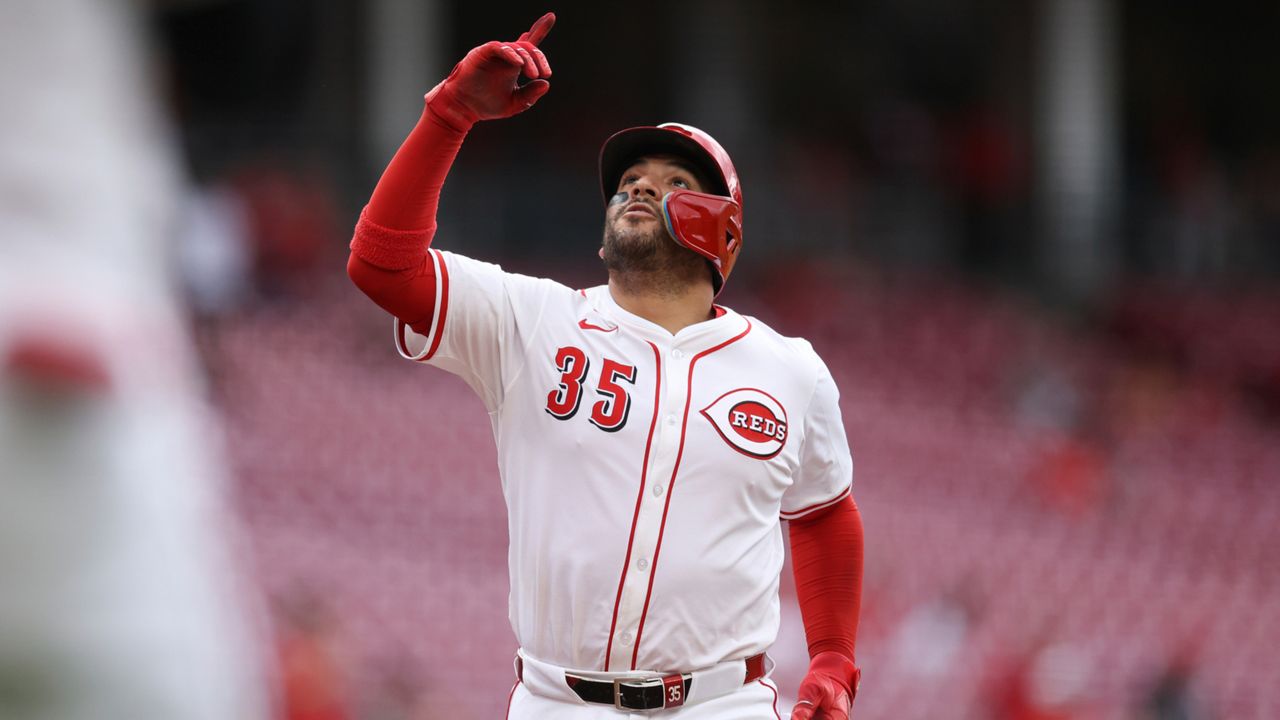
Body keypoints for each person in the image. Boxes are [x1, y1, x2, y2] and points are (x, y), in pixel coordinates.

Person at [348, 13, 864, 719]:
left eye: (674, 180)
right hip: (557, 700)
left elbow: (824, 511)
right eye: (629, 180)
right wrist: (450, 114)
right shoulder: (532, 319)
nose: (640, 188)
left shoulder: (790, 370)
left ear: (727, 233)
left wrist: (833, 657)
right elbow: (380, 265)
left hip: (723, 704)